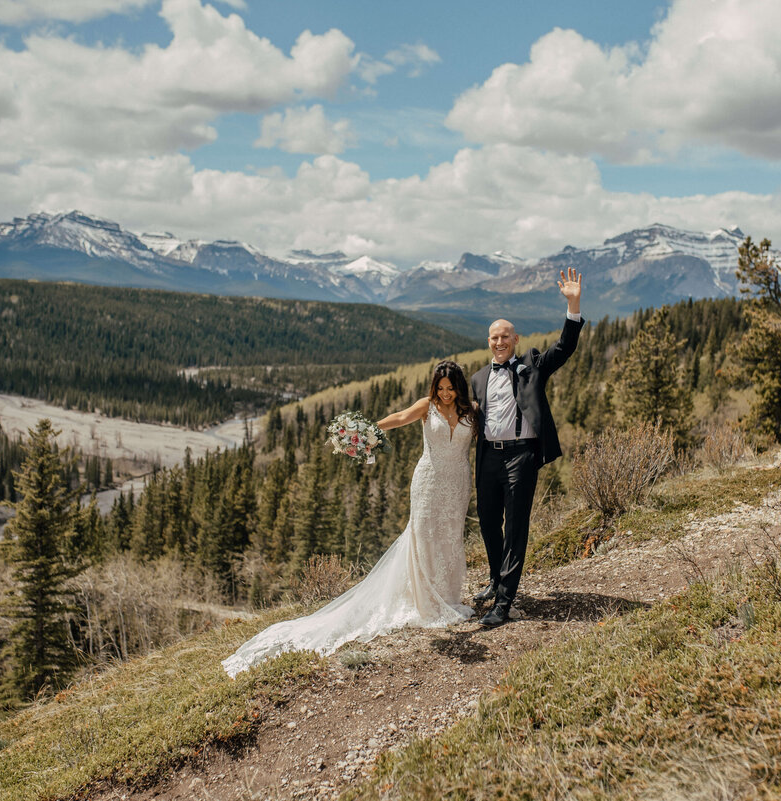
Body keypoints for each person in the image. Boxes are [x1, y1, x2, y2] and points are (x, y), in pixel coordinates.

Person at [222, 361, 476, 677]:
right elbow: (398, 418)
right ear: (434, 388)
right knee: (423, 536)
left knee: (450, 538)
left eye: (450, 388)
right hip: (428, 480)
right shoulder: (427, 406)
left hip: (458, 483)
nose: (445, 393)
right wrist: (366, 431)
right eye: (440, 388)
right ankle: (425, 602)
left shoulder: (472, 411)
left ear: (460, 388)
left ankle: (447, 598)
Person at [470, 268, 583, 627]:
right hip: (488, 455)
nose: (499, 342)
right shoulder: (477, 379)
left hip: (520, 456)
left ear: (515, 339)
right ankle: (495, 577)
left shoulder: (532, 366)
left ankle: (504, 603)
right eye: (493, 338)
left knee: (516, 527)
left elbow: (564, 348)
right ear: (488, 342)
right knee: (489, 524)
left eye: (505, 337)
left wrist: (573, 304)